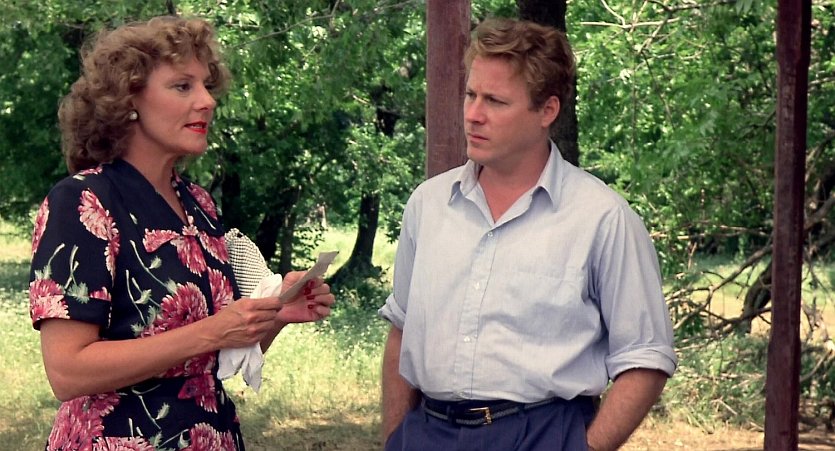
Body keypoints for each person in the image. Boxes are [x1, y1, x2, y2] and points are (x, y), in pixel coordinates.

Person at [28, 16, 334, 450]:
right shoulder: (83, 202)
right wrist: (213, 330)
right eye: (183, 86)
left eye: (206, 85)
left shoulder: (198, 204)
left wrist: (275, 314)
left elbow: (211, 360)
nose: (207, 101)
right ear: (128, 98)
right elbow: (67, 372)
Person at [379, 17, 677, 451]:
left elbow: (646, 358)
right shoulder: (428, 205)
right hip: (428, 432)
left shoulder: (602, 218)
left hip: (541, 432)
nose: (473, 114)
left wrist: (582, 448)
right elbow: (402, 331)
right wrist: (395, 439)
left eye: (495, 101)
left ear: (547, 111)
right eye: (470, 95)